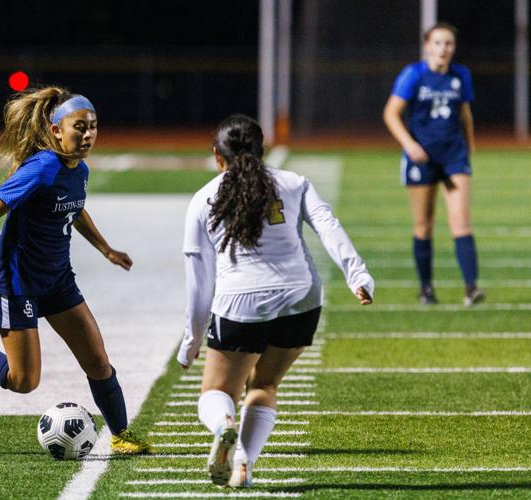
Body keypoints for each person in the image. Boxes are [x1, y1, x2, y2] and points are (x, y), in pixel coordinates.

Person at [0, 86, 152, 455]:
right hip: (16, 284)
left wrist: (106, 249)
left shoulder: (79, 170)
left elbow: (73, 208)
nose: (88, 134)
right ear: (57, 129)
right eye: (80, 126)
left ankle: (121, 434)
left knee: (98, 361)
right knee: (23, 380)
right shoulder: (42, 168)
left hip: (57, 280)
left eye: (93, 126)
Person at [177, 114, 374, 487]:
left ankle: (224, 425)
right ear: (262, 150)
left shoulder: (204, 198)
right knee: (264, 385)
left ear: (217, 156)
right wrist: (357, 274)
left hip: (241, 302)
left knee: (217, 392)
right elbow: (328, 225)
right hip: (301, 299)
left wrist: (191, 341)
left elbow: (199, 279)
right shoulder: (293, 183)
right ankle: (243, 465)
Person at [383, 22, 484, 306]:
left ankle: (471, 288)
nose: (443, 49)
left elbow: (465, 114)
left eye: (449, 43)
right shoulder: (413, 75)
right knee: (423, 225)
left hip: (453, 155)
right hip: (422, 159)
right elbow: (391, 113)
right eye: (438, 43)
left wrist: (469, 146)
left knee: (461, 222)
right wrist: (410, 145)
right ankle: (427, 289)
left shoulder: (460, 74)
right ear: (427, 46)